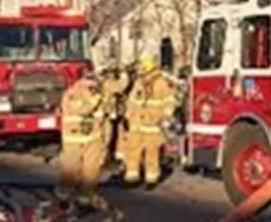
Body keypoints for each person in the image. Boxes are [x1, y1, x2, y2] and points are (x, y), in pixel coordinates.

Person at [120, 54, 179, 187]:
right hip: (137, 124)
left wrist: (165, 117)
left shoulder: (162, 83)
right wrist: (128, 116)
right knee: (132, 150)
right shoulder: (139, 83)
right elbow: (132, 101)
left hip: (153, 124)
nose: (141, 71)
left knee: (152, 152)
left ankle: (151, 178)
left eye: (143, 68)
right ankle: (132, 176)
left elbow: (170, 101)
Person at [56, 70, 111, 210]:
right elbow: (82, 109)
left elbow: (104, 119)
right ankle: (64, 195)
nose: (92, 86)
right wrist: (94, 99)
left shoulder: (98, 96)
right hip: (74, 138)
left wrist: (105, 140)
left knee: (91, 169)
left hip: (94, 138)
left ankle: (86, 197)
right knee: (71, 168)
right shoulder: (72, 94)